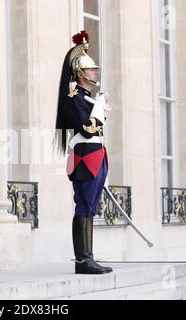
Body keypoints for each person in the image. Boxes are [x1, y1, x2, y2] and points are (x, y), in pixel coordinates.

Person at [55, 31, 112, 275]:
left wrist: (97, 104)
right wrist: (99, 107)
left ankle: (89, 257)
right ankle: (82, 260)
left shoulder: (88, 98)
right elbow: (88, 129)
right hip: (85, 157)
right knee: (84, 205)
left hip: (96, 155)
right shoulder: (74, 97)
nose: (95, 74)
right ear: (80, 73)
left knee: (90, 207)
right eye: (91, 70)